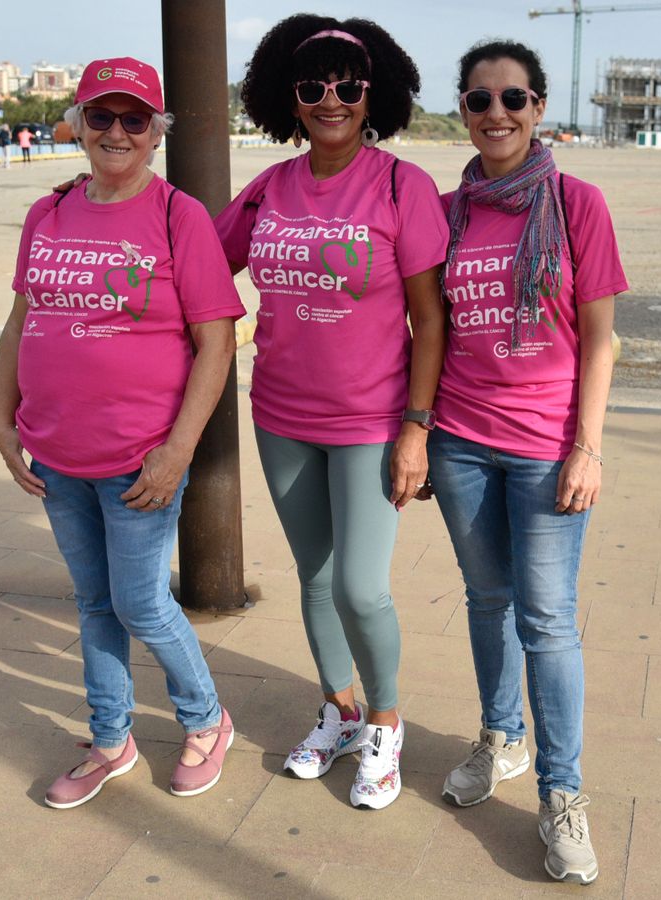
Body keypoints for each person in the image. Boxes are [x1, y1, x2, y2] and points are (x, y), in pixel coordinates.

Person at [0, 56, 245, 809]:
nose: (118, 132)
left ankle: (206, 721)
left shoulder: (177, 216)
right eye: (102, 116)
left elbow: (217, 342)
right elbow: (20, 321)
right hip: (56, 454)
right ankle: (111, 739)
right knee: (93, 604)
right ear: (78, 123)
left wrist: (177, 453)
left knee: (139, 604)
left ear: (157, 132)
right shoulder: (49, 212)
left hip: (140, 460)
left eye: (136, 119)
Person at [213, 15, 448, 811]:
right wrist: (106, 195)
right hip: (279, 414)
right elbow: (202, 260)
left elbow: (430, 320)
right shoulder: (272, 187)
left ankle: (385, 722)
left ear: (371, 90)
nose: (330, 99)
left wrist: (417, 426)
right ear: (291, 98)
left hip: (372, 421)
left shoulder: (399, 186)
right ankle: (340, 710)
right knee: (314, 578)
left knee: (360, 586)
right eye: (312, 86)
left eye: (346, 84)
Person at [427, 40, 626, 885]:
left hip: (547, 448)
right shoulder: (447, 212)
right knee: (487, 598)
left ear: (540, 108)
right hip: (461, 438)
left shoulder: (577, 203)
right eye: (480, 100)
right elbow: (423, 328)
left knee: (545, 619)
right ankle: (498, 737)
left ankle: (562, 796)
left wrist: (588, 446)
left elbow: (600, 338)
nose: (497, 114)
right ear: (463, 111)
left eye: (514, 98)